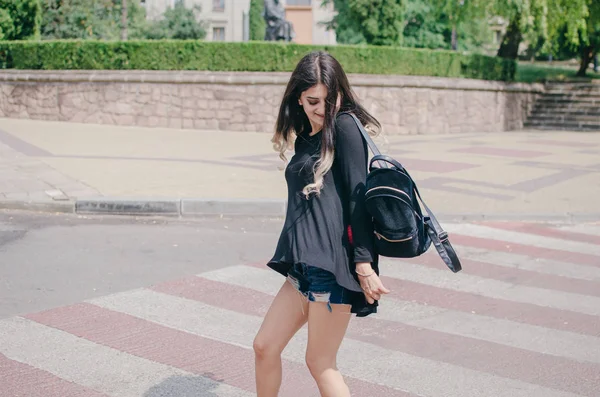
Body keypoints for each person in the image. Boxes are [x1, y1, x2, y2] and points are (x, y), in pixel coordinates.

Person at [253, 51, 390, 397]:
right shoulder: (306, 137)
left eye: (330, 100)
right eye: (313, 100)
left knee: (320, 361)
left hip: (334, 266)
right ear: (298, 97)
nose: (322, 109)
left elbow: (359, 200)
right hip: (305, 267)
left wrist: (364, 264)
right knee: (264, 346)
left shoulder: (345, 128)